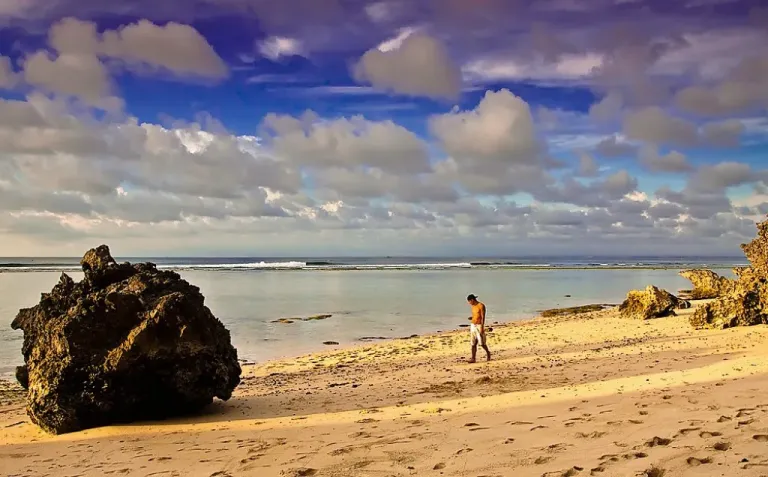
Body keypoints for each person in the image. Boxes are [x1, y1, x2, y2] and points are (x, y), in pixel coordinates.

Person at [466, 294, 491, 363]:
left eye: (469, 302)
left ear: (472, 300)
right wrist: (472, 318)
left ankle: (488, 353)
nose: (469, 303)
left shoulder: (481, 306)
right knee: (473, 343)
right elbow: (475, 315)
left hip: (479, 325)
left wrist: (482, 327)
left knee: (482, 343)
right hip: (473, 325)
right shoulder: (473, 307)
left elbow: (483, 317)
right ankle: (473, 358)